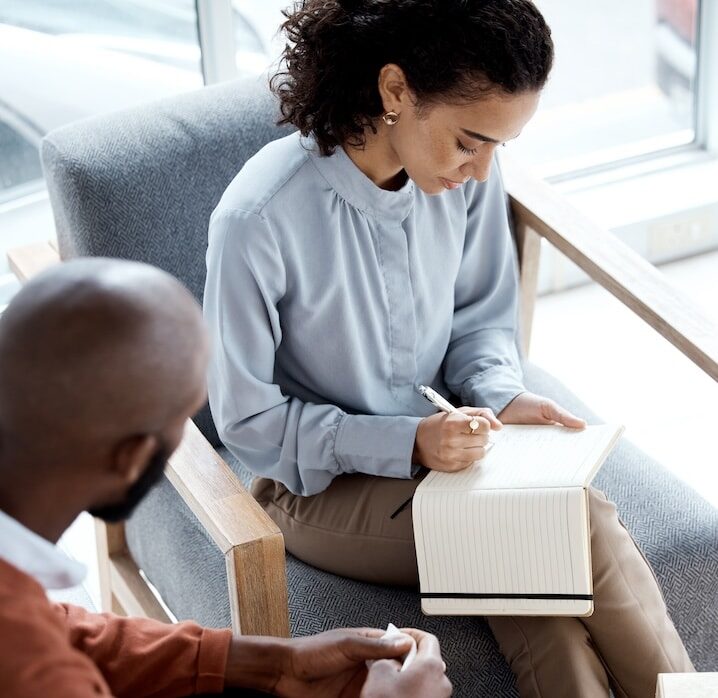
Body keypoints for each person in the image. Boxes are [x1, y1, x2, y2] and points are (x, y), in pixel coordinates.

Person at [203, 0, 695, 696]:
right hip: (310, 486)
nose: (484, 171)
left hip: (452, 454)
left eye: (500, 146)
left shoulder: (462, 184)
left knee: (537, 583)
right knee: (571, 519)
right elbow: (249, 428)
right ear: (396, 90)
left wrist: (502, 392)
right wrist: (409, 442)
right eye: (470, 141)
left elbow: (478, 324)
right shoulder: (257, 220)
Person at [0, 258, 452, 698]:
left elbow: (61, 629)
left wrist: (272, 664)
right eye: (183, 418)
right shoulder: (34, 671)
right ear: (132, 458)